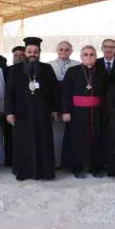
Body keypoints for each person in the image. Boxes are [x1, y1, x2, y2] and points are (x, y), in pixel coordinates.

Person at [6, 37, 59, 181]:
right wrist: (9, 112)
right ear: (25, 52)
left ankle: (44, 171)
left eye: (35, 51)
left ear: (39, 53)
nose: (32, 54)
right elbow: (9, 92)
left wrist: (54, 109)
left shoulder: (47, 69)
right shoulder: (15, 70)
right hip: (22, 113)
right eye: (29, 51)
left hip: (42, 113)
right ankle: (23, 171)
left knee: (43, 141)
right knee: (23, 142)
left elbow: (55, 91)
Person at [61, 46, 108, 178]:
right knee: (78, 140)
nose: (89, 57)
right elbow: (65, 92)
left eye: (92, 54)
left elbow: (106, 93)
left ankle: (96, 167)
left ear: (96, 56)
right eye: (86, 54)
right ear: (81, 57)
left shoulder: (102, 72)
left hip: (97, 112)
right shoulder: (72, 71)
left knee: (97, 139)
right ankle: (77, 167)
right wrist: (65, 111)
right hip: (77, 112)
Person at [48, 40, 80, 168]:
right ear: (57, 50)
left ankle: (70, 162)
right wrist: (53, 108)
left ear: (71, 51)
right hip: (55, 104)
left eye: (67, 49)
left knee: (72, 135)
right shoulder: (49, 66)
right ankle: (56, 162)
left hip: (73, 105)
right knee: (56, 134)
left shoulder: (77, 65)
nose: (64, 52)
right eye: (61, 49)